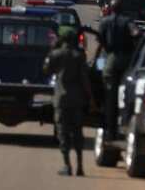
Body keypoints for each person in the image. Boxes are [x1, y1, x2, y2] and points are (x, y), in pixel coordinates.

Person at [43, 28, 93, 177]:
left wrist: (53, 49)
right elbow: (85, 80)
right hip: (77, 99)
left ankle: (67, 165)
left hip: (62, 99)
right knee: (78, 132)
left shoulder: (57, 55)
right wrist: (91, 99)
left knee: (63, 133)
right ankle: (80, 166)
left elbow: (46, 69)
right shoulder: (79, 56)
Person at [97, 0, 136, 141]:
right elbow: (136, 33)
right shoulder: (127, 22)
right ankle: (125, 125)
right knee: (127, 95)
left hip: (111, 60)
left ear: (111, 9)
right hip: (127, 61)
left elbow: (99, 39)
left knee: (109, 96)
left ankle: (110, 130)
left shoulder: (105, 22)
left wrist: (107, 49)